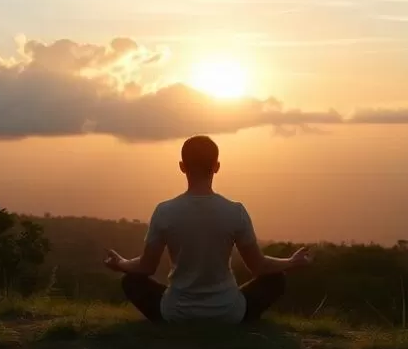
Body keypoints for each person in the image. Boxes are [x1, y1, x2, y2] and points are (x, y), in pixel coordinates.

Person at [104, 135, 312, 323]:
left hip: (176, 313)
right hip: (229, 313)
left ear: (182, 166)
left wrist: (121, 263)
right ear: (217, 166)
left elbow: (146, 267)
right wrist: (291, 262)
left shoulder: (165, 211)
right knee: (276, 279)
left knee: (131, 281)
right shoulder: (235, 211)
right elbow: (259, 266)